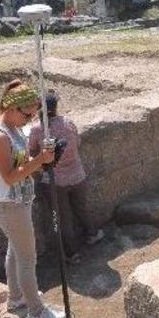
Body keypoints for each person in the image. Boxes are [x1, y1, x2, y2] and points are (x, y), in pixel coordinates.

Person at [0, 80, 66, 318]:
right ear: (12, 107)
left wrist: (43, 154)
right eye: (27, 115)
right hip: (10, 205)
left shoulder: (14, 128)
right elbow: (10, 176)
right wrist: (41, 159)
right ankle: (36, 311)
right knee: (27, 259)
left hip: (18, 202)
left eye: (32, 116)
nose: (30, 120)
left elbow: (22, 160)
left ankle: (17, 297)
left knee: (16, 250)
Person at [28, 91, 100, 265]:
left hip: (55, 182)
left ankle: (72, 253)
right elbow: (78, 143)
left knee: (63, 218)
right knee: (82, 208)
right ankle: (92, 234)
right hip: (77, 175)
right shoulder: (68, 122)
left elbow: (32, 153)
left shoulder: (38, 130)